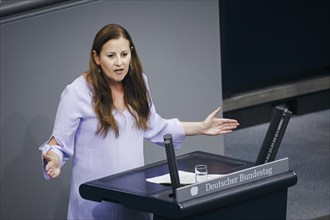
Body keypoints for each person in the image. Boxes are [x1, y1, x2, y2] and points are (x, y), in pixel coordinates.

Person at [39, 23, 239, 220]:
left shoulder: (139, 83)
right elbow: (58, 145)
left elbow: (156, 127)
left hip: (132, 197)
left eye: (124, 55)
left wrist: (202, 128)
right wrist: (54, 161)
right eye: (111, 56)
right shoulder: (76, 93)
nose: (119, 63)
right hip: (95, 202)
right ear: (96, 58)